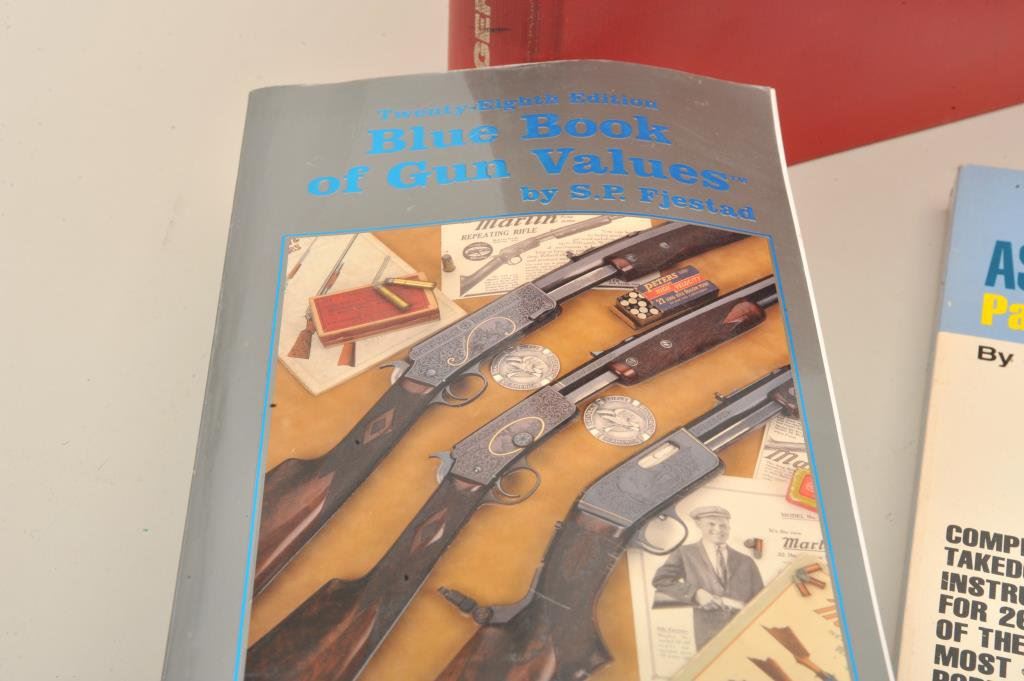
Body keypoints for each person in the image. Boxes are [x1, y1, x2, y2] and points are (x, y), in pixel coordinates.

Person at [651, 506, 763, 649]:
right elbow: (661, 580)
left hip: (744, 635)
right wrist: (695, 593)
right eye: (711, 524)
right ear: (699, 525)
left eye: (723, 525)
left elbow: (762, 600)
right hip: (707, 637)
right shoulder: (685, 553)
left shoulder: (746, 561)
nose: (718, 529)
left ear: (729, 528)